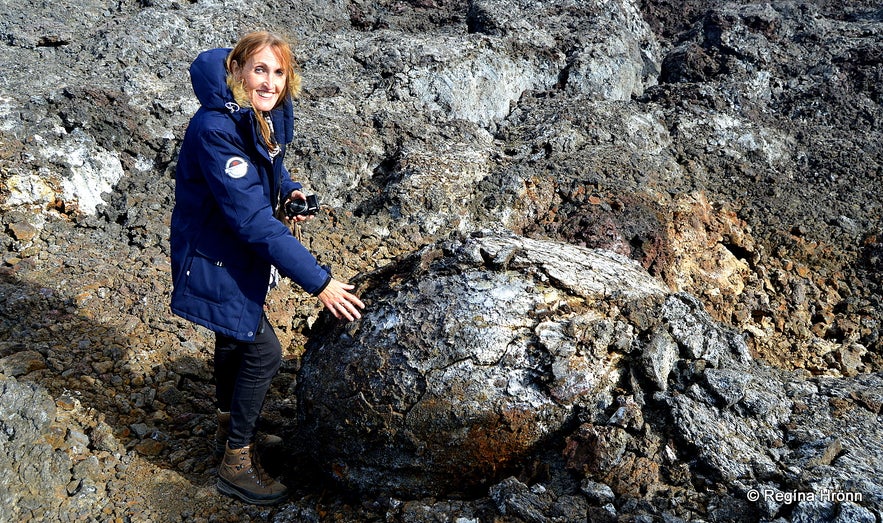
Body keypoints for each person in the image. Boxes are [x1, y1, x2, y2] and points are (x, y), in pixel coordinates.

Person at [169, 31, 365, 506]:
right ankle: (236, 464)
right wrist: (320, 282)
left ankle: (228, 427)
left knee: (235, 341)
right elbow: (253, 221)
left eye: (279, 72)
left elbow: (265, 176)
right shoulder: (216, 128)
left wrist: (290, 190)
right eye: (260, 70)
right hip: (217, 256)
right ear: (236, 71)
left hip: (229, 249)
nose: (270, 82)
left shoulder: (257, 116)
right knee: (263, 353)